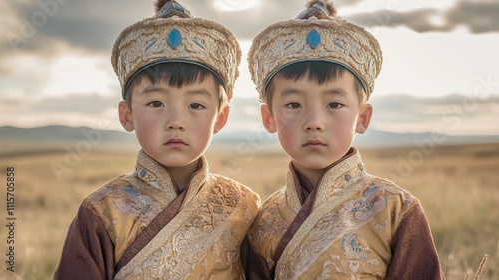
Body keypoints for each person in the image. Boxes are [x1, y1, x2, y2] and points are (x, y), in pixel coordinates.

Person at [54, 1, 260, 279]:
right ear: (127, 115)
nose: (176, 120)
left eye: (196, 105)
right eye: (155, 103)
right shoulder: (101, 211)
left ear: (220, 118)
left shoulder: (242, 206)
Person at [244, 1, 445, 279]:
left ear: (362, 117)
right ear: (269, 118)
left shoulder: (395, 211)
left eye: (334, 104)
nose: (314, 122)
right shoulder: (262, 222)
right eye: (293, 105)